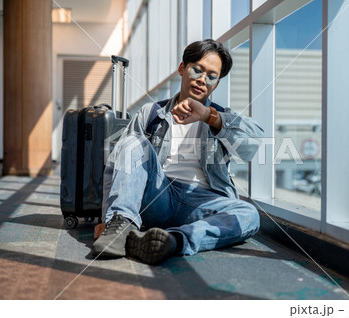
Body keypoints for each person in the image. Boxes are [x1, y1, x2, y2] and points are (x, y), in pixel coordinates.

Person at [92, 39, 264, 265]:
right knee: (132, 141)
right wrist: (107, 217)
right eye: (197, 70)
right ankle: (120, 225)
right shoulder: (151, 112)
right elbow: (117, 165)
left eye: (212, 76)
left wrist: (209, 117)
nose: (203, 79)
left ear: (216, 84)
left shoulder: (220, 117)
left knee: (249, 214)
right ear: (183, 68)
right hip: (158, 196)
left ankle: (174, 240)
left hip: (203, 202)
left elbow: (254, 142)